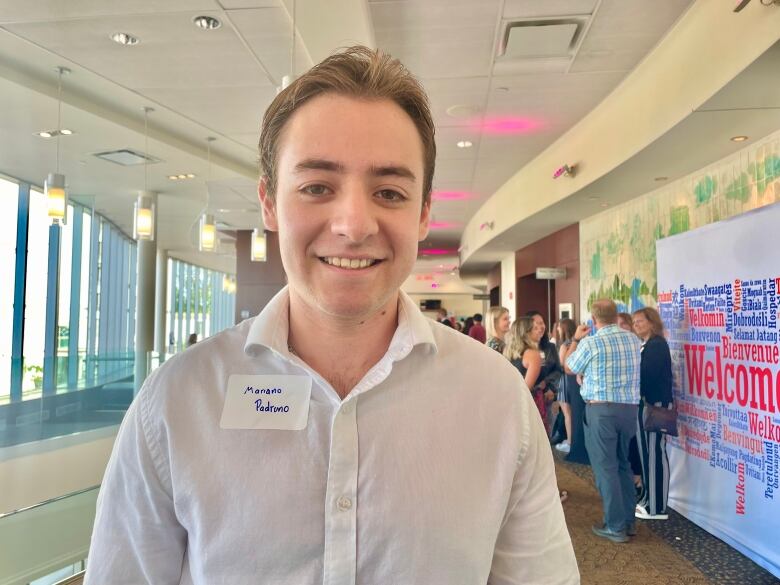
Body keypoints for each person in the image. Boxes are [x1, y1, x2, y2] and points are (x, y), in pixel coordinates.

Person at [85, 46, 578, 584]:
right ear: (270, 203)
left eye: (389, 192)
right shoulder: (177, 402)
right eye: (317, 187)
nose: (353, 224)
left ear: (423, 214)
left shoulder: (498, 401)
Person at [565, 299, 641, 544]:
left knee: (605, 468)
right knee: (623, 464)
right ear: (616, 315)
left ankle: (615, 526)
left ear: (593, 319)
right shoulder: (632, 339)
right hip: (629, 410)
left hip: (601, 411)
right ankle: (628, 522)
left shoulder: (591, 342)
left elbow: (569, 366)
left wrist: (575, 340)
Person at [632, 307, 674, 521]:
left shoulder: (657, 345)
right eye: (634, 322)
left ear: (652, 322)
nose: (636, 324)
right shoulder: (647, 345)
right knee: (646, 454)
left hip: (655, 405)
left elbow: (648, 377)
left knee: (655, 454)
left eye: (640, 321)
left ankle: (657, 507)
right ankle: (648, 499)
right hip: (646, 405)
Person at [526, 311, 563, 434]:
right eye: (536, 324)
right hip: (530, 398)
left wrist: (550, 387)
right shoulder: (523, 349)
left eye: (542, 323)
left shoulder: (550, 347)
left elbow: (558, 370)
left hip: (548, 397)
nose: (540, 327)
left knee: (546, 434)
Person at [554, 319, 577, 454]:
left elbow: (562, 365)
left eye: (559, 328)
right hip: (576, 381)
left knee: (567, 413)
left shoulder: (565, 345)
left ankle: (569, 441)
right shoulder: (580, 344)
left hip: (565, 380)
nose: (557, 331)